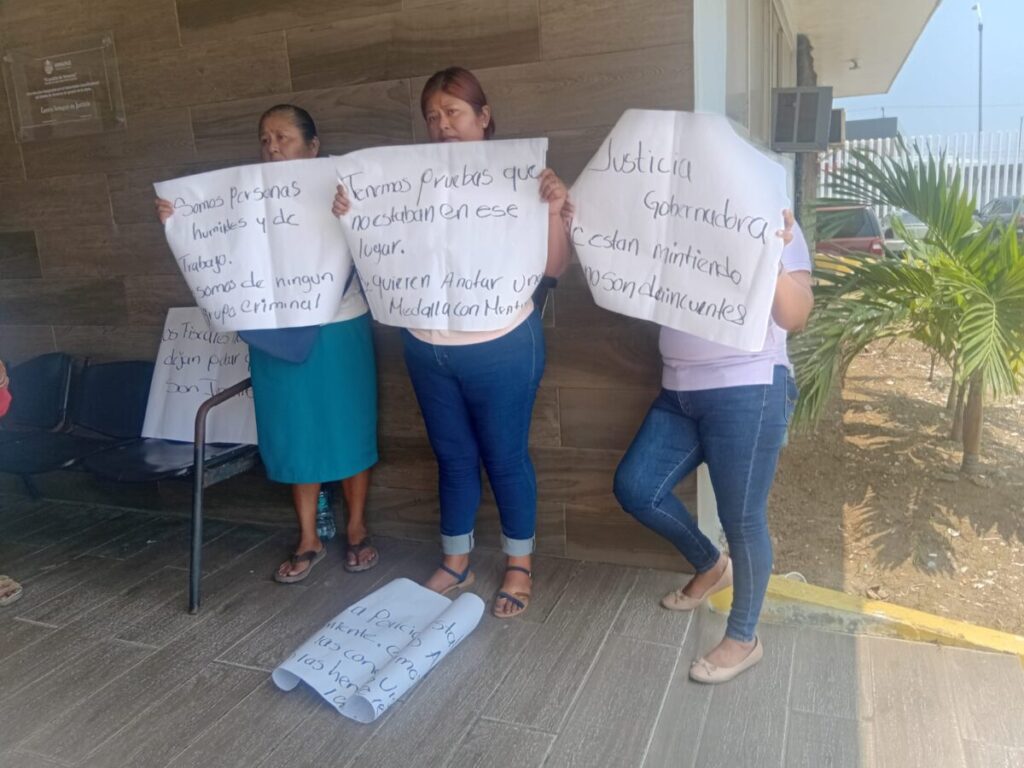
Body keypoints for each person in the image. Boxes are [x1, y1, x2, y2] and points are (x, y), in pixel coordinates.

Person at [334, 67, 571, 618]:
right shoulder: (409, 183)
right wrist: (353, 218)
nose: (442, 125)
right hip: (425, 345)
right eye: (432, 116)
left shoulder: (523, 180)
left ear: (484, 118)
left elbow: (554, 269)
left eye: (454, 112)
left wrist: (554, 209)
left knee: (505, 457)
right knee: (453, 457)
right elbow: (379, 251)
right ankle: (456, 559)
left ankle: (518, 564)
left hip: (503, 343)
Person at [156, 104, 380, 582]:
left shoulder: (343, 186)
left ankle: (357, 527)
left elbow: (380, 242)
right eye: (265, 139)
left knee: (349, 424)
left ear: (313, 147)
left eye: (283, 138)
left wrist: (353, 213)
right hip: (274, 330)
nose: (272, 148)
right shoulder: (242, 198)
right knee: (294, 429)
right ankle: (308, 536)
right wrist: (180, 219)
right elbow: (214, 242)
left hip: (340, 325)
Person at [613, 211, 813, 683]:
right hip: (679, 389)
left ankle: (743, 639)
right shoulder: (671, 207)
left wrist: (771, 257)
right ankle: (712, 565)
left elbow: (796, 315)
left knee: (741, 518)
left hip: (749, 386)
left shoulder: (769, 211)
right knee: (636, 488)